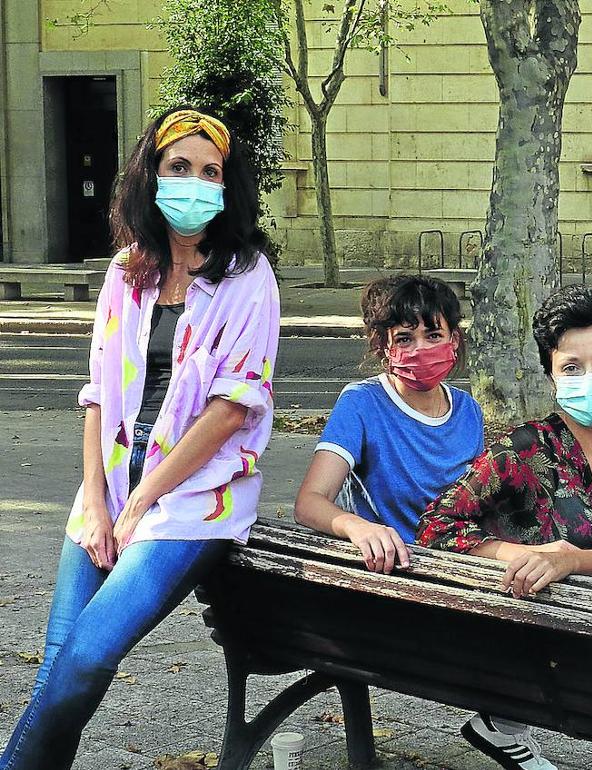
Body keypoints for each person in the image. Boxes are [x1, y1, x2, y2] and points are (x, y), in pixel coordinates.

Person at [0, 107, 279, 769]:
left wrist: (137, 505)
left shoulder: (247, 279)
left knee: (89, 657)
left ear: (226, 184)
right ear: (151, 175)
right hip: (111, 486)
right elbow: (98, 393)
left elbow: (230, 411)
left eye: (209, 171)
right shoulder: (130, 270)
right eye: (179, 167)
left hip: (192, 500)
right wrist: (97, 503)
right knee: (58, 676)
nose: (194, 183)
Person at [418, 284, 592, 770]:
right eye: (572, 367)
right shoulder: (527, 449)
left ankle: (503, 728)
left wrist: (571, 558)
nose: (591, 378)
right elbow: (437, 524)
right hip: (563, 662)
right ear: (551, 377)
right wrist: (521, 555)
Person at [294, 274, 484, 573]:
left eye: (433, 335)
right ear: (383, 346)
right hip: (388, 571)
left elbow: (475, 507)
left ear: (454, 340)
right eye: (405, 339)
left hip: (456, 567)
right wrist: (358, 528)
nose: (420, 349)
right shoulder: (362, 403)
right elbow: (310, 503)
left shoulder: (468, 410)